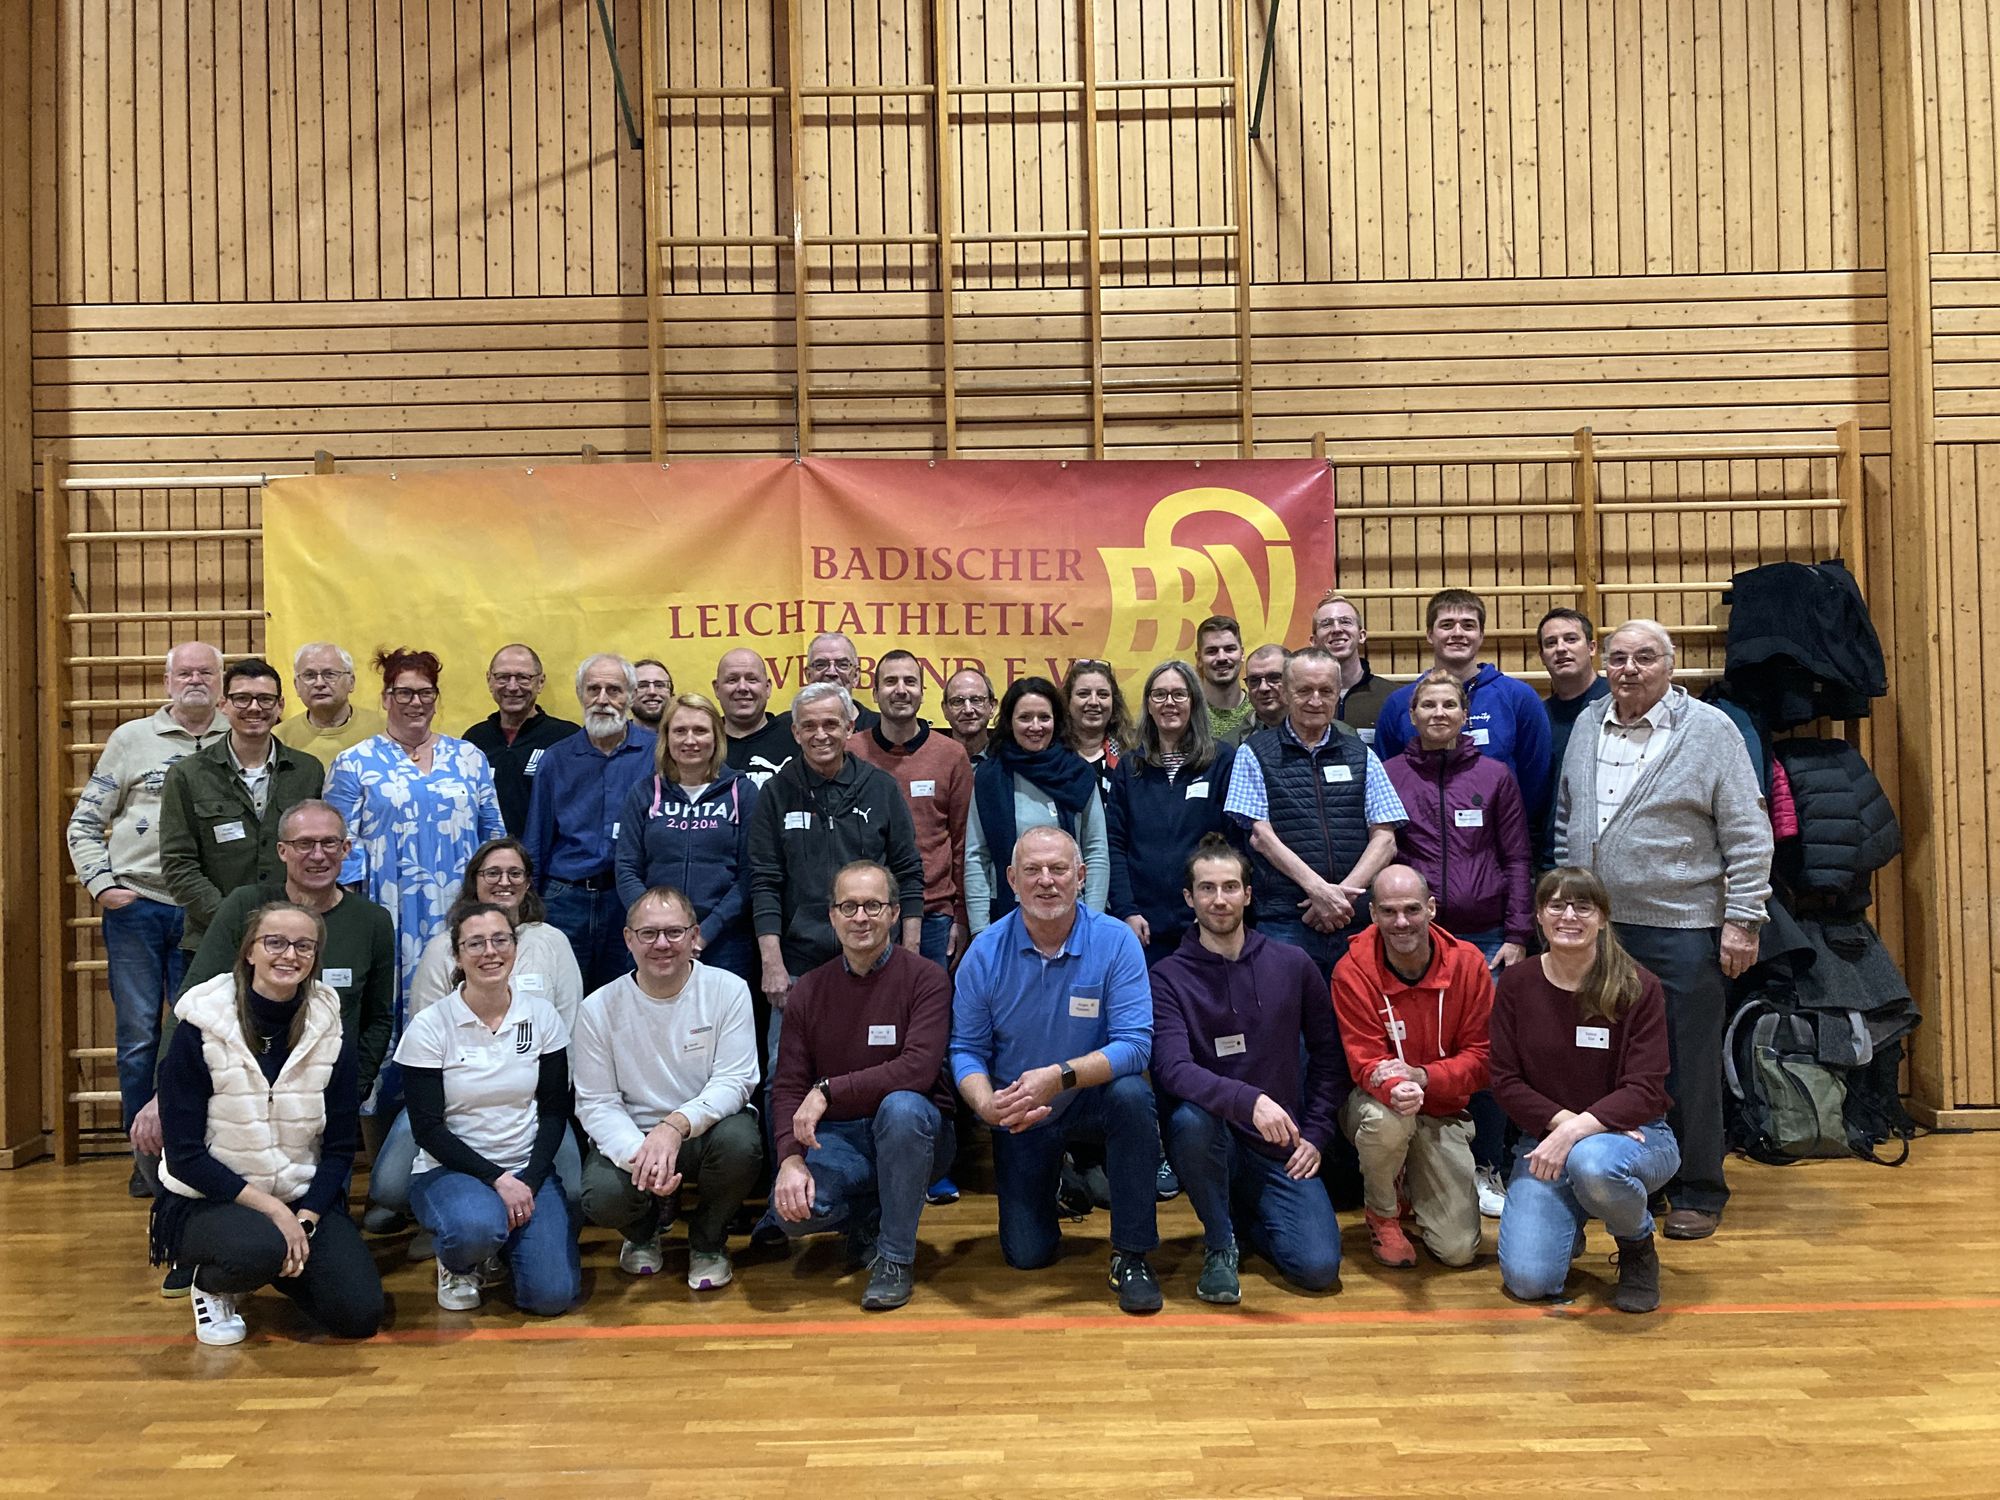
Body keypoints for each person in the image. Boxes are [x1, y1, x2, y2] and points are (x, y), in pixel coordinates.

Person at [1552, 619, 1772, 1242]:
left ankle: (1699, 1188)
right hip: (1601, 930)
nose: (1629, 669)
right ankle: (1633, 1180)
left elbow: (1749, 832)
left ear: (1670, 667)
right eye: (1618, 658)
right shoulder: (1588, 723)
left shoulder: (1710, 730)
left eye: (1644, 658)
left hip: (1683, 928)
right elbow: (1568, 816)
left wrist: (1743, 919)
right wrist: (1571, 905)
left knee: (1688, 1064)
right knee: (1613, 1062)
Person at [134, 800, 397, 1287]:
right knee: (171, 1140)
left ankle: (269, 1254)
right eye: (304, 843)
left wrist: (346, 1091)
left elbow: (379, 1018)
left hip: (313, 1105)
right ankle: (206, 1253)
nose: (317, 855)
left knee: (354, 1304)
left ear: (347, 849)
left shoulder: (372, 921)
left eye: (329, 843)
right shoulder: (245, 907)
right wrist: (160, 1091)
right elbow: (194, 998)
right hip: (236, 1098)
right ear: (282, 851)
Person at [150, 902, 382, 1345]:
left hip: (299, 1197)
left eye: (304, 946)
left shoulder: (330, 1029)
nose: (289, 955)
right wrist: (276, 1213)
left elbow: (338, 1148)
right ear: (249, 951)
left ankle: (275, 1262)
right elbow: (183, 1157)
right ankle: (212, 1283)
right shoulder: (199, 1027)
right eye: (275, 942)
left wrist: (306, 1218)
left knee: (359, 1315)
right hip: (209, 1199)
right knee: (261, 1246)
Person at [950, 827, 1162, 1312]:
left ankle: (1132, 1254)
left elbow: (1136, 1047)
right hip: (1022, 1109)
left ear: (1081, 876)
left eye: (1058, 869)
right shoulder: (984, 953)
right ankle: (1061, 1180)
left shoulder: (1116, 941)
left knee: (1133, 1096)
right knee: (1027, 1255)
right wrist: (986, 1105)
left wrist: (1059, 1076)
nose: (1046, 881)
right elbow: (965, 1049)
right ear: (1011, 880)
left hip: (1089, 1096)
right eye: (1032, 870)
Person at [1150, 836, 1344, 1302]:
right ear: (1189, 898)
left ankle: (1243, 1217)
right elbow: (1172, 1068)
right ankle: (1220, 1242)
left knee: (1318, 1269)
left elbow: (1329, 1056)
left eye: (1230, 887)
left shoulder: (1293, 963)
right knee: (1190, 1120)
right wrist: (1249, 1100)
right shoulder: (1167, 977)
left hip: (1280, 1144)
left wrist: (1316, 1134)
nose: (1219, 899)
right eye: (1207, 888)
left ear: (1248, 894)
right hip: (1212, 1139)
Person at [762, 862, 956, 1311]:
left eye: (873, 905)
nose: (861, 917)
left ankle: (895, 1259)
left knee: (902, 1107)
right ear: (832, 916)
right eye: (848, 907)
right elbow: (788, 1085)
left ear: (894, 913)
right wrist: (790, 1159)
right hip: (840, 1138)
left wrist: (828, 1089)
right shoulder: (808, 989)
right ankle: (876, 1212)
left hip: (916, 1134)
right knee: (792, 1214)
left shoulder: (926, 979)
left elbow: (916, 1070)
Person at [369, 837, 585, 1234]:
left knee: (573, 1190)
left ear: (528, 882)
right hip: (455, 1104)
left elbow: (568, 1027)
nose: (504, 881)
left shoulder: (552, 942)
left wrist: (535, 1104)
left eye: (515, 873)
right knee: (389, 1189)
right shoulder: (442, 948)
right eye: (492, 873)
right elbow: (424, 1032)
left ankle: (498, 1225)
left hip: (528, 1103)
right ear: (474, 880)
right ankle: (453, 1219)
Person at [67, 641, 226, 1171]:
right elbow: (84, 823)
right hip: (138, 907)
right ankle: (146, 1163)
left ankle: (194, 1154)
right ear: (167, 682)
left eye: (206, 672)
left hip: (206, 910)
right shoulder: (131, 739)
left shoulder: (238, 738)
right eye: (185, 673)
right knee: (138, 1036)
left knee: (200, 1034)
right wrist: (102, 885)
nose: (195, 680)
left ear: (221, 682)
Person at [1382, 667, 1533, 1217]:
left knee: (1485, 1051)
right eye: (1428, 705)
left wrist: (1517, 933)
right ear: (1412, 716)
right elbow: (1383, 851)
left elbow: (1517, 858)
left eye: (1449, 705)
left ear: (1465, 716)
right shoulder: (1390, 774)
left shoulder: (1495, 776)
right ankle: (1411, 1168)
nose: (1439, 714)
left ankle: (1486, 1162)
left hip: (1486, 935)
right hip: (1412, 936)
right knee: (1416, 1049)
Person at [1492, 867, 1678, 1313]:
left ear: (1603, 918)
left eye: (1583, 906)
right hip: (1545, 1144)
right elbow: (1504, 1079)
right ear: (1539, 916)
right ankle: (1568, 1218)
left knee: (1591, 1162)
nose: (1569, 916)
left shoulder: (1639, 986)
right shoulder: (1516, 983)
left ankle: (1636, 1245)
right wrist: (1566, 1129)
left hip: (1635, 1137)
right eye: (1556, 905)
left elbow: (1645, 1087)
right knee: (1529, 1281)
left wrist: (1578, 1132)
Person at [747, 682, 925, 1115]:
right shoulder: (776, 792)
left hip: (873, 959)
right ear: (794, 732)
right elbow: (765, 881)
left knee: (878, 1069)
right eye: (809, 726)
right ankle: (787, 1156)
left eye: (831, 724)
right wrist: (772, 963)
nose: (820, 734)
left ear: (850, 728)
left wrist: (910, 951)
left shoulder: (881, 788)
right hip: (799, 963)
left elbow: (908, 873)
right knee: (783, 1075)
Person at [394, 902, 579, 1316]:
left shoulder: (541, 1016)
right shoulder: (430, 1026)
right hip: (452, 1170)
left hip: (525, 1170)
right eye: (475, 943)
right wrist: (497, 1180)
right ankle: (459, 1263)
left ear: (515, 947)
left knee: (551, 1298)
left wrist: (529, 1180)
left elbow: (554, 1111)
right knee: (474, 1228)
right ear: (457, 955)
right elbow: (427, 1129)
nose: (490, 952)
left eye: (500, 940)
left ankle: (502, 1249)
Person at [573, 887, 761, 1292]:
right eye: (648, 933)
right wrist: (642, 1158)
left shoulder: (729, 990)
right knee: (602, 1196)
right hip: (634, 1137)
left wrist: (674, 1126)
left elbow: (736, 1080)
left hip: (704, 1132)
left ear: (694, 936)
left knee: (742, 1144)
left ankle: (708, 1243)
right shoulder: (596, 1008)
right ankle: (642, 1234)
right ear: (628, 939)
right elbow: (596, 1103)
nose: (662, 944)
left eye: (674, 932)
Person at [325, 648, 506, 1008]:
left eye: (425, 693)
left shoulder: (470, 758)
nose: (416, 702)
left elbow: (493, 838)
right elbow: (339, 846)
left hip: (460, 903)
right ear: (385, 698)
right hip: (389, 905)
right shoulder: (354, 763)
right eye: (404, 693)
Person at [1331, 865, 1492, 1270]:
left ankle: (1408, 1184)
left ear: (1431, 908)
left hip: (1442, 1109)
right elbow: (1364, 1060)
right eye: (1388, 911)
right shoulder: (1351, 971)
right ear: (1373, 914)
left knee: (1458, 1251)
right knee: (1387, 1121)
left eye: (1412, 909)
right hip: (1379, 1103)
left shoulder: (1469, 964)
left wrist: (1424, 1077)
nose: (1401, 922)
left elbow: (1484, 1059)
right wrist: (1396, 1087)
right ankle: (1383, 1215)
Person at [1224, 647, 1406, 977]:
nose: (1315, 700)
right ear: (1285, 693)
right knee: (1285, 1011)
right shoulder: (1253, 753)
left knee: (1358, 1010)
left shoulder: (1361, 753)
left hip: (1354, 919)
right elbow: (1261, 836)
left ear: (1338, 694)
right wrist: (1319, 891)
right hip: (1286, 920)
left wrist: (1340, 899)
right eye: (1304, 690)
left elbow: (1385, 839)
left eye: (1326, 691)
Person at [158, 657, 326, 953]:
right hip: (213, 939)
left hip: (293, 940)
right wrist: (232, 920)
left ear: (280, 706)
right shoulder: (188, 775)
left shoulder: (307, 771)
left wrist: (287, 923)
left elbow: (317, 854)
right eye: (242, 698)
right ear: (223, 704)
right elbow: (178, 864)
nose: (254, 707)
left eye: (265, 699)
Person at [522, 654, 657, 991]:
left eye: (614, 690)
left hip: (629, 898)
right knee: (563, 997)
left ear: (631, 696)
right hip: (565, 899)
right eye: (593, 689)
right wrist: (529, 909)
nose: (602, 699)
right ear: (580, 694)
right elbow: (537, 837)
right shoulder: (556, 758)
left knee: (627, 998)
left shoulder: (656, 754)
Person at [615, 692, 760, 983]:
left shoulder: (742, 792)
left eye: (700, 730)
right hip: (655, 942)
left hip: (725, 941)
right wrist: (657, 926)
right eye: (680, 731)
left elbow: (750, 874)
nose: (690, 740)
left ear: (717, 737)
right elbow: (626, 867)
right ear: (666, 737)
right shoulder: (644, 792)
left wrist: (704, 933)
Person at [1374, 589, 1554, 822]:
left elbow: (1536, 779)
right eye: (1447, 625)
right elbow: (1386, 782)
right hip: (1420, 838)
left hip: (1499, 836)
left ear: (1481, 635)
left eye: (1468, 625)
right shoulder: (1399, 703)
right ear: (1429, 634)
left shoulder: (1519, 697)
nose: (1457, 633)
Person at [1106, 659, 1239, 967]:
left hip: (1206, 922)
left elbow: (1235, 843)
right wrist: (1126, 910)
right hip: (1143, 928)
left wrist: (1214, 906)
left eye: (1179, 694)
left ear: (1194, 701)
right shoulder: (1130, 766)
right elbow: (1115, 843)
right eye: (1159, 694)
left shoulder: (1221, 760)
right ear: (1148, 704)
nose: (1169, 703)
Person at [851, 649, 973, 968]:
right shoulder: (851, 752)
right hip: (865, 913)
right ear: (875, 693)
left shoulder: (951, 755)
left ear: (922, 691)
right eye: (890, 681)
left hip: (935, 915)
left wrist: (961, 916)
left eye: (910, 681)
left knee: (928, 1001)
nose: (901, 690)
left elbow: (963, 843)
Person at [965, 677, 1110, 934]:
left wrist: (1093, 921)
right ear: (1009, 721)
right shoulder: (989, 777)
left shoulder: (1078, 774)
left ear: (1057, 721)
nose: (1035, 726)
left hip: (1073, 916)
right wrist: (980, 930)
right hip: (1005, 915)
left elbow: (1096, 850)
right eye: (1025, 718)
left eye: (1044, 717)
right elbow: (976, 855)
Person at [462, 644, 580, 836]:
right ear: (489, 680)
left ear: (540, 682)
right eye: (502, 677)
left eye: (523, 677)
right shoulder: (474, 741)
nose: (512, 686)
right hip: (487, 852)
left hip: (544, 853)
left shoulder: (567, 738)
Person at [1537, 608, 1610, 863]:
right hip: (1551, 858)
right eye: (1551, 643)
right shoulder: (1538, 717)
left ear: (1591, 648)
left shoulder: (1619, 704)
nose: (1561, 648)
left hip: (1608, 856)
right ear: (1542, 656)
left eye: (1570, 639)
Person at [276, 642, 386, 760]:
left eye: (329, 674)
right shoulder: (279, 738)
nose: (319, 683)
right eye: (309, 675)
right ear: (296, 686)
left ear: (351, 682)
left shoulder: (383, 730)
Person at [1311, 593, 1395, 740]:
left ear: (1361, 636)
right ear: (1314, 641)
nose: (1336, 629)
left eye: (1345, 622)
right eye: (1326, 624)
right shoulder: (1302, 702)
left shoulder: (1392, 697)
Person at [715, 647, 795, 787]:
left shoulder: (795, 734)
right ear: (717, 689)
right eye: (732, 680)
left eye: (752, 680)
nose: (742, 688)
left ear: (768, 687)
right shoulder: (702, 742)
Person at [1061, 658, 1134, 794]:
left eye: (1103, 694)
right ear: (1067, 701)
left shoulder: (1132, 756)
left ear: (1114, 703)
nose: (1094, 702)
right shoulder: (1052, 755)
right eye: (1083, 694)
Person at [1194, 616, 1255, 741]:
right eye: (1212, 651)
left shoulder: (1260, 711)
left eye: (1229, 649)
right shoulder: (1188, 715)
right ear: (1199, 659)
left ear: (1242, 654)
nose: (1222, 658)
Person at [806, 630, 880, 730]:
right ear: (808, 675)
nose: (832, 672)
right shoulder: (786, 727)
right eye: (821, 665)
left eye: (842, 665)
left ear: (856, 676)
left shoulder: (881, 728)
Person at [1231, 644, 1289, 744]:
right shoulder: (1234, 744)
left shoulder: (1316, 732)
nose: (1263, 688)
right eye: (1254, 680)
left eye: (1274, 677)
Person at [942, 668, 997, 766]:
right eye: (957, 701)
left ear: (992, 707)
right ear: (945, 710)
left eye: (976, 700)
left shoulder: (1010, 763)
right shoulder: (931, 762)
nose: (968, 710)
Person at [632, 659, 675, 731]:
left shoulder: (688, 736)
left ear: (671, 694)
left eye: (659, 685)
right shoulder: (615, 737)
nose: (652, 692)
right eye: (642, 686)